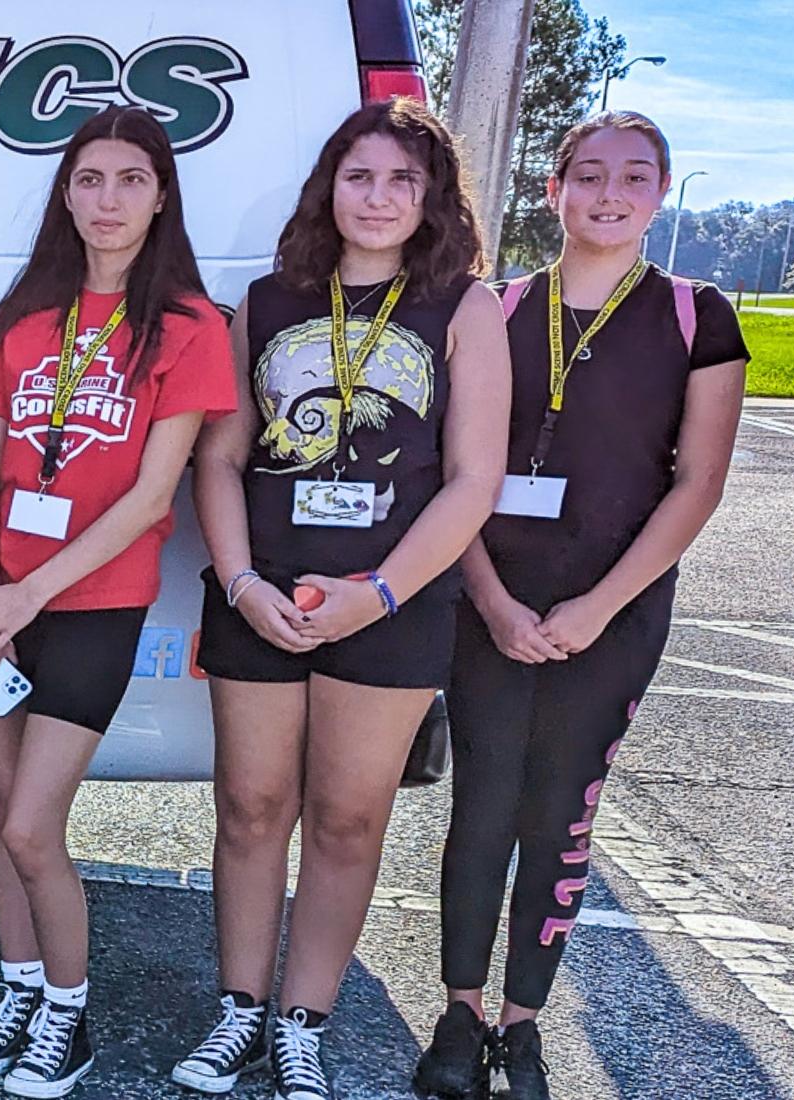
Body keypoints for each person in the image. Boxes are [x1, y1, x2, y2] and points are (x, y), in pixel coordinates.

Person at [175, 98, 508, 1100]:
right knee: (248, 808)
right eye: (358, 176)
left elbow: (473, 480)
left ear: (431, 197)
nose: (378, 197)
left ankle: (301, 1023)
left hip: (390, 606)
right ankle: (238, 1011)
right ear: (329, 185)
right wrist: (240, 582)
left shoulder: (465, 308)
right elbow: (220, 458)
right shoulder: (267, 302)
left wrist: (379, 592)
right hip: (262, 599)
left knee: (347, 820)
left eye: (402, 180)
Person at [412, 112, 747, 1100]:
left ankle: (523, 1025)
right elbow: (455, 470)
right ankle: (459, 1011)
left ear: (661, 192)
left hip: (614, 615)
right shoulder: (497, 307)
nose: (610, 194)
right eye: (589, 175)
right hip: (490, 601)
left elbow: (698, 483)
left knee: (560, 814)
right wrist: (489, 597)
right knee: (481, 806)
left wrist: (598, 607)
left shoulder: (696, 316)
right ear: (553, 189)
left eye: (634, 177)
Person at [0, 106, 235, 1097]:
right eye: (89, 179)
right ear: (66, 194)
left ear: (160, 196)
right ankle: (18, 992)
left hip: (91, 608)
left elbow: (153, 499)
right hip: (0, 604)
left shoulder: (188, 328)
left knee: (33, 825)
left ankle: (68, 1016)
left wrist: (26, 596)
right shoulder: (25, 316)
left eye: (129, 180)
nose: (107, 200)